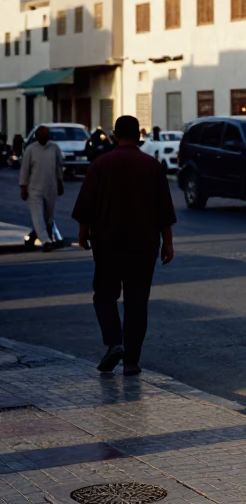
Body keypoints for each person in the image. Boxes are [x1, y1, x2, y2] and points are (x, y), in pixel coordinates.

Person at [72, 115, 176, 375]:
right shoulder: (151, 166)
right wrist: (168, 243)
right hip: (143, 244)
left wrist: (83, 233)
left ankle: (113, 343)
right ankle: (131, 361)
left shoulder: (100, 164)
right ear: (139, 136)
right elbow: (164, 208)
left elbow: (87, 204)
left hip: (107, 242)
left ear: (115, 135)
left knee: (105, 295)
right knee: (137, 300)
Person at [19, 124, 64, 251]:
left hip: (51, 187)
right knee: (37, 216)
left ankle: (38, 236)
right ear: (36, 136)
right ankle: (46, 241)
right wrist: (23, 186)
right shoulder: (31, 150)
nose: (44, 138)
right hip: (34, 188)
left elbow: (59, 167)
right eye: (42, 135)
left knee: (48, 217)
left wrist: (60, 182)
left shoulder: (54, 148)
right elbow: (24, 170)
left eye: (46, 136)